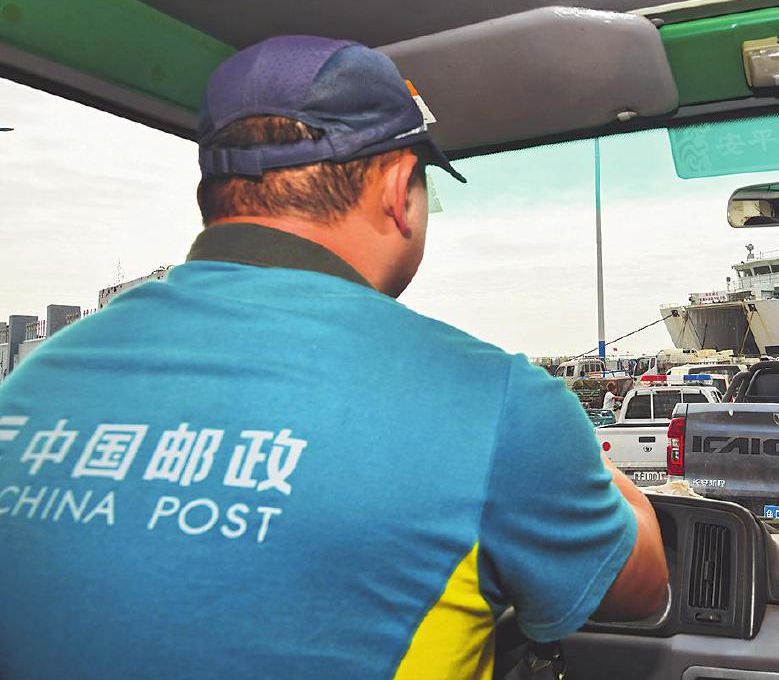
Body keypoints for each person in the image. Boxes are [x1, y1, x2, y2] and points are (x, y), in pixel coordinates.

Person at [0, 36, 667, 679]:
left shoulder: (37, 381)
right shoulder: (495, 404)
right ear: (397, 189)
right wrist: (584, 459)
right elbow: (640, 587)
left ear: (217, 190)